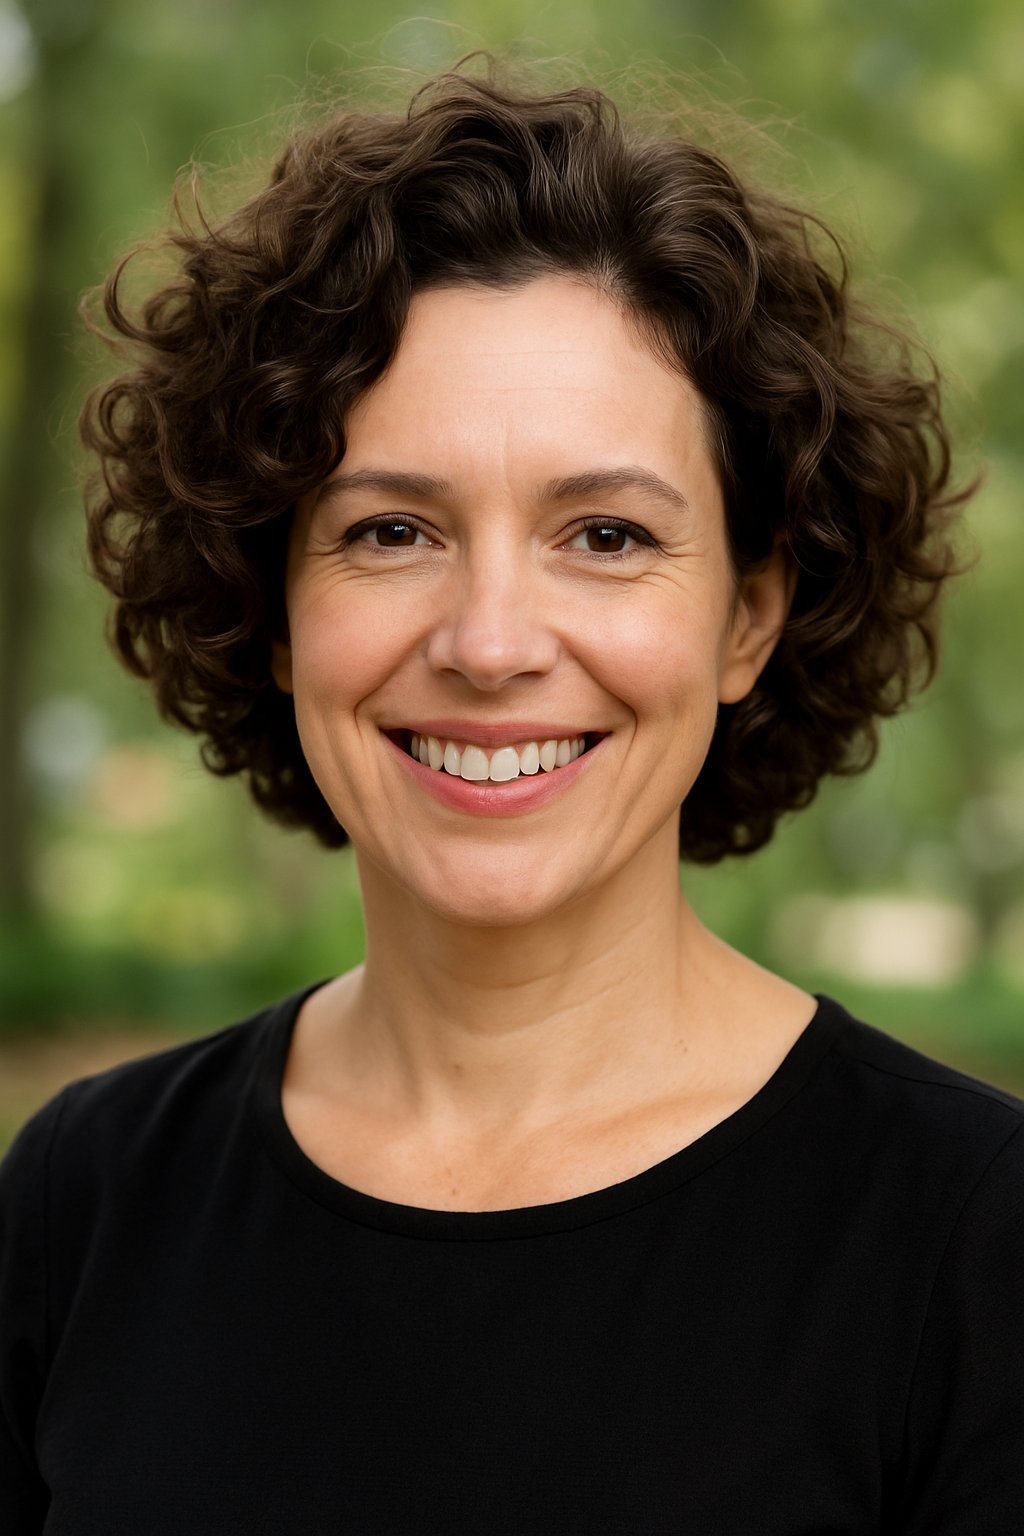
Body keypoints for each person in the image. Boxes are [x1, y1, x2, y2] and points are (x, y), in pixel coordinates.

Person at [1, 58, 1021, 1534]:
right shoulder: (81, 1203)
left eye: (605, 536)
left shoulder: (973, 1241)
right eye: (391, 530)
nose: (489, 645)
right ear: (273, 608)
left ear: (747, 617)